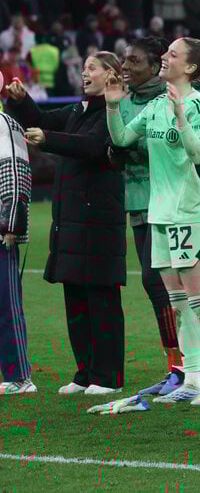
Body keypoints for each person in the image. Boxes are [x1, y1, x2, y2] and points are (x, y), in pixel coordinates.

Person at [106, 37, 200, 405]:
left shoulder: (199, 107)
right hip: (159, 214)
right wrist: (113, 106)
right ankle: (191, 381)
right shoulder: (157, 104)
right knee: (178, 304)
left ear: (190, 68)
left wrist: (181, 117)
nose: (164, 57)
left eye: (172, 55)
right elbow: (123, 139)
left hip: (191, 214)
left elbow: (198, 153)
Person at [6, 52, 127, 396]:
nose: (84, 73)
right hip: (72, 218)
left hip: (99, 217)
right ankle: (86, 372)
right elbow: (43, 119)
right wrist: (21, 99)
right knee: (75, 296)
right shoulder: (79, 109)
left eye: (92, 68)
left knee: (101, 299)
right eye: (84, 67)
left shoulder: (115, 111)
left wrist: (49, 138)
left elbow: (93, 147)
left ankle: (109, 377)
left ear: (111, 75)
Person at [111, 37, 184, 397]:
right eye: (124, 60)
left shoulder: (169, 100)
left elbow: (154, 144)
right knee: (154, 283)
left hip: (170, 204)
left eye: (134, 61)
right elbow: (116, 145)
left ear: (155, 67)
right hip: (139, 204)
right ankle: (176, 366)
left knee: (167, 284)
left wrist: (124, 147)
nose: (126, 66)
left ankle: (186, 368)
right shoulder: (123, 103)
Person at [0, 74, 33, 395]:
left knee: (5, 304)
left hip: (0, 231)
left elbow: (15, 170)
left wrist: (11, 223)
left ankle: (19, 376)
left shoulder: (4, 124)